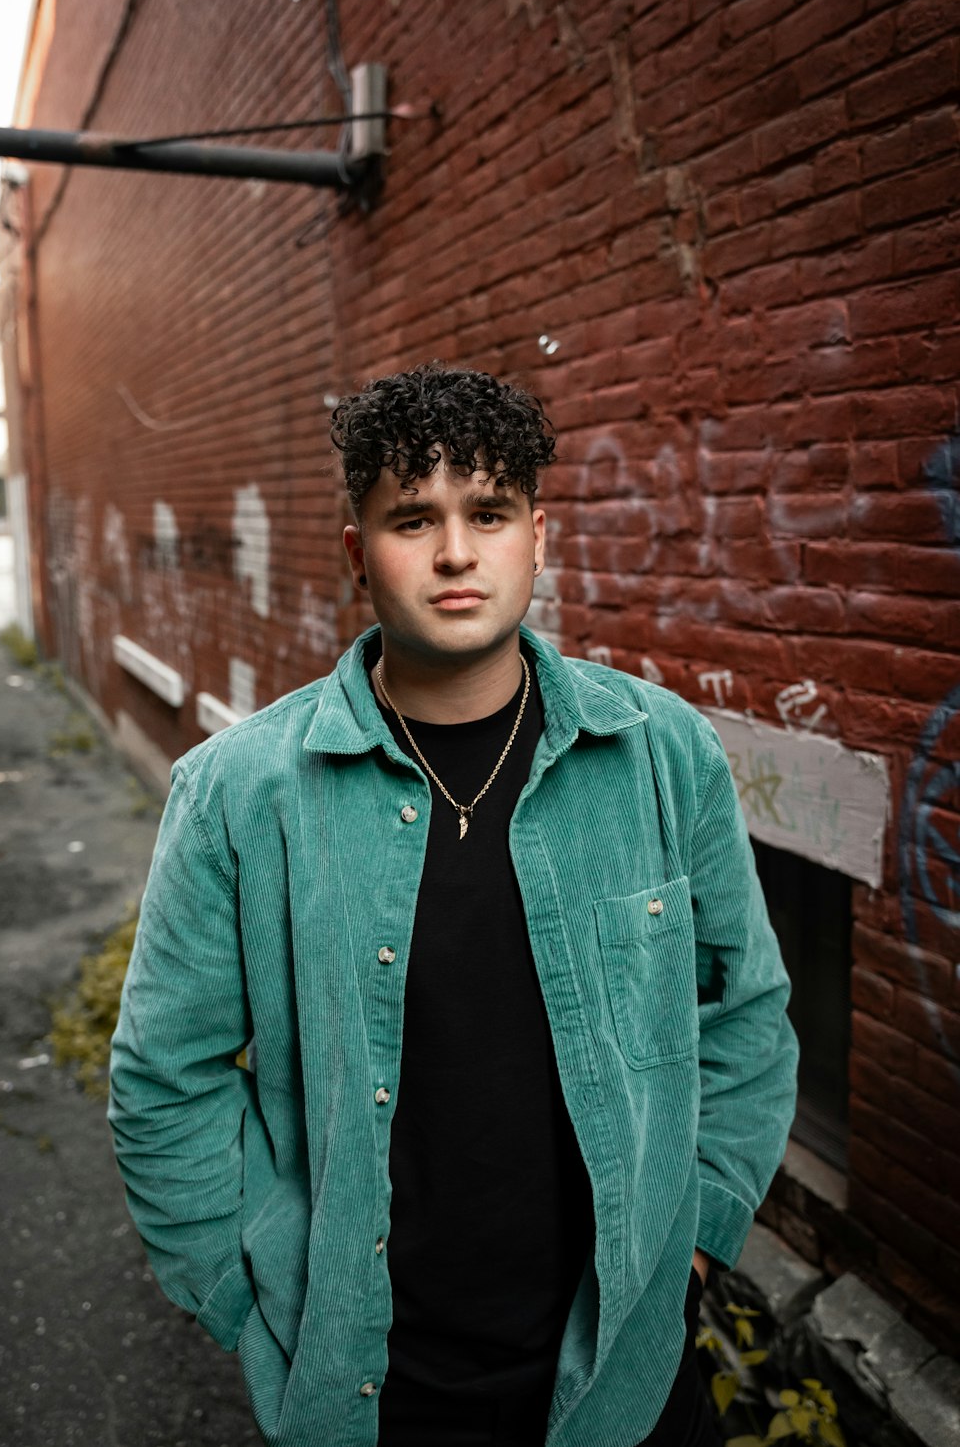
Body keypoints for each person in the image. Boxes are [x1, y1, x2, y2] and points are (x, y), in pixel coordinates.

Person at [109, 363, 798, 1447]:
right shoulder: (241, 792)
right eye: (411, 518)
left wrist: (698, 1233)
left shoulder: (661, 754)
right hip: (373, 1386)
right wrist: (251, 1301)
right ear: (356, 554)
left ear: (537, 534)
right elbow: (164, 1077)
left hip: (624, 1368)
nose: (455, 553)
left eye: (487, 511)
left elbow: (744, 1009)